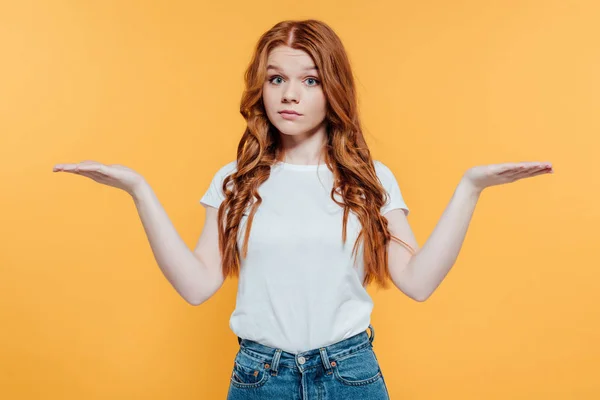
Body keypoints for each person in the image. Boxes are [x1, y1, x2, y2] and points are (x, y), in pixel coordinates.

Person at [53, 19, 553, 400]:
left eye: (310, 80)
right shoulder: (235, 181)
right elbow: (196, 285)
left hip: (349, 374)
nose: (290, 94)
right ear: (261, 87)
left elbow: (418, 282)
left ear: (333, 88)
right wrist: (139, 190)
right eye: (276, 79)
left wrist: (470, 188)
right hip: (259, 377)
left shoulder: (368, 179)